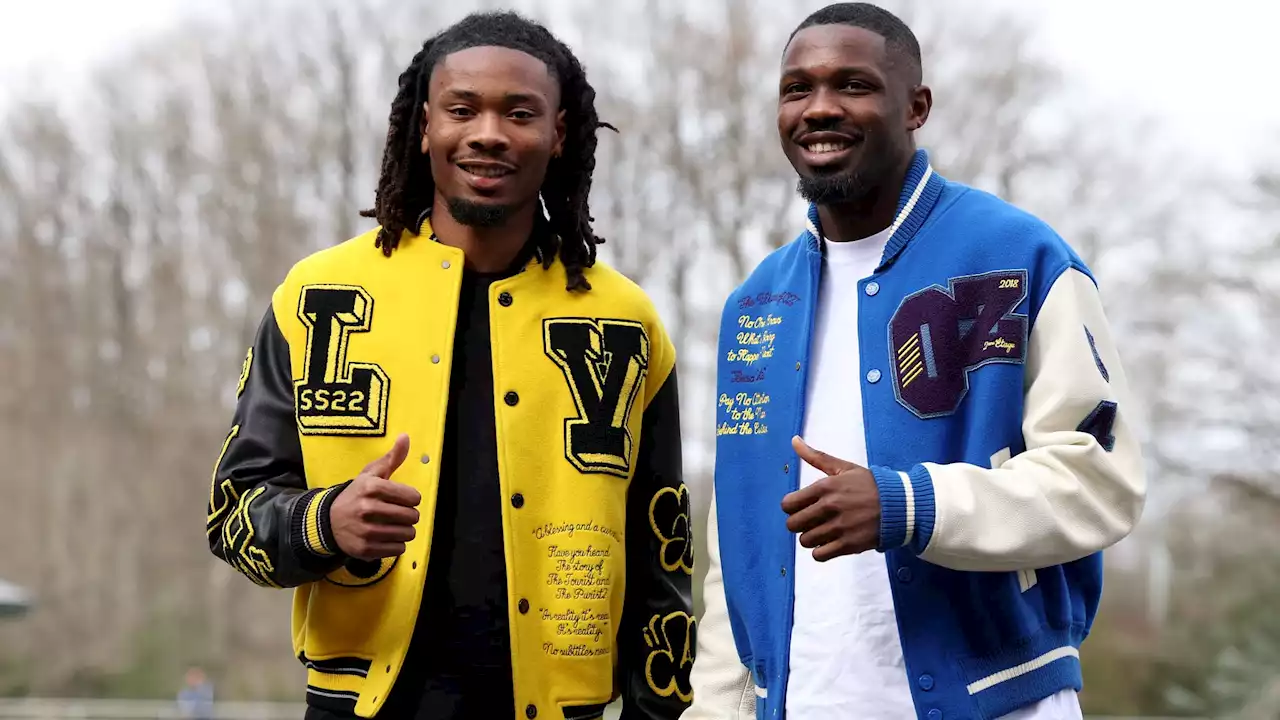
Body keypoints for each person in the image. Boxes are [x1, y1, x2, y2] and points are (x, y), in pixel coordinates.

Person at [206, 11, 693, 720]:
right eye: (462, 109)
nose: (488, 133)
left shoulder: (626, 320)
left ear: (559, 134)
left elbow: (664, 559)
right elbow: (231, 515)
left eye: (519, 112)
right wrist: (324, 523)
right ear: (424, 126)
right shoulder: (315, 295)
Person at [685, 4, 1146, 720]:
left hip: (1001, 703)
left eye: (854, 85)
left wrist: (910, 504)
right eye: (797, 89)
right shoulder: (755, 304)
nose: (820, 108)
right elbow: (733, 550)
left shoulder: (1018, 256)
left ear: (916, 106)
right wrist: (716, 710)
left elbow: (1100, 478)